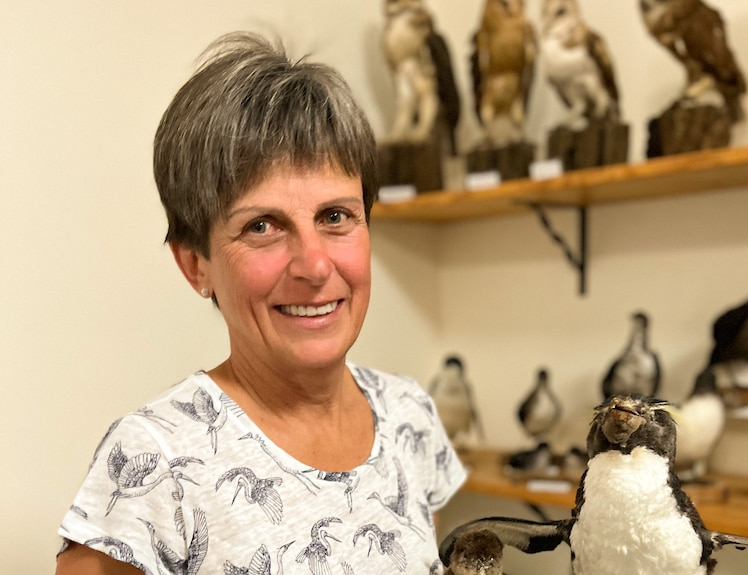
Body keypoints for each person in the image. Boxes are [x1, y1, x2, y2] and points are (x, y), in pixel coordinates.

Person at [56, 32, 466, 575]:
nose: (315, 266)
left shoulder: (408, 414)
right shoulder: (154, 460)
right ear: (195, 265)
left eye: (335, 217)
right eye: (263, 226)